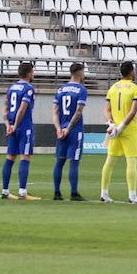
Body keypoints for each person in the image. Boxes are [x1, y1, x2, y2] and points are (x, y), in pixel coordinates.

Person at [101, 60, 137, 204]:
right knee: (131, 161)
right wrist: (121, 127)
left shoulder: (113, 88)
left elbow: (107, 110)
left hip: (115, 130)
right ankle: (132, 195)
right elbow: (133, 111)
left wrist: (111, 124)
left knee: (110, 161)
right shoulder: (136, 88)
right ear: (132, 71)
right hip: (129, 129)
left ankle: (104, 193)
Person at [2, 62, 40, 201]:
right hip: (23, 127)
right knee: (24, 157)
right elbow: (22, 109)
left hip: (11, 126)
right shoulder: (28, 89)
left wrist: (8, 125)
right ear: (29, 73)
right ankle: (23, 192)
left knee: (10, 157)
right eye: (33, 71)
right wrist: (16, 126)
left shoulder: (11, 88)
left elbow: (5, 108)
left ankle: (5, 191)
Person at [52, 63, 88, 201]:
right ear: (79, 73)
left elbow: (54, 111)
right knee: (74, 161)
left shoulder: (61, 89)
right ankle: (73, 193)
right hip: (74, 130)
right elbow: (78, 112)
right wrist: (69, 128)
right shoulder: (81, 90)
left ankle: (57, 193)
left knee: (59, 161)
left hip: (61, 130)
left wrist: (58, 128)